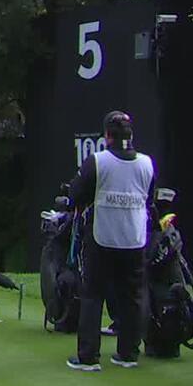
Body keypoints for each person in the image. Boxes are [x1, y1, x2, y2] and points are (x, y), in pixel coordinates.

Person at [68, 110, 156, 372]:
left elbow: (77, 193)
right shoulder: (147, 163)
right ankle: (128, 353)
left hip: (102, 236)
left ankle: (88, 356)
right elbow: (150, 197)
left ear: (107, 135)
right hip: (134, 238)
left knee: (93, 295)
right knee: (132, 296)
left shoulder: (98, 161)